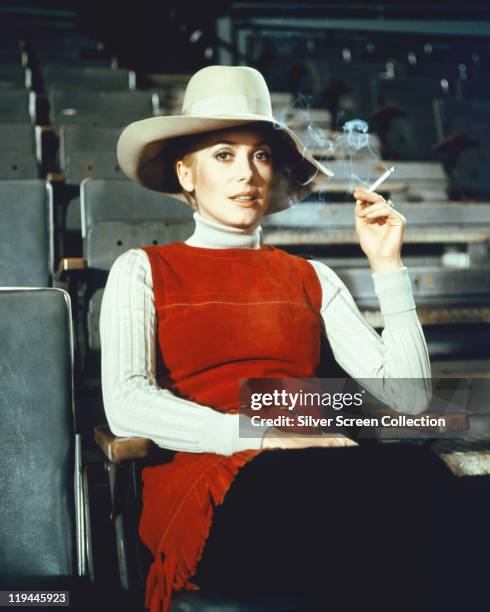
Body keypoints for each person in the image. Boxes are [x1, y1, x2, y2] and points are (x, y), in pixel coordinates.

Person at [100, 66, 462, 612]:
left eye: (261, 155)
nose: (247, 172)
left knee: (424, 479)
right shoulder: (143, 268)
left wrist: (388, 266)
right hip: (214, 484)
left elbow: (409, 401)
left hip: (316, 474)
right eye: (224, 155)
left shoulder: (311, 276)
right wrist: (263, 438)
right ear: (186, 173)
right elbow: (126, 405)